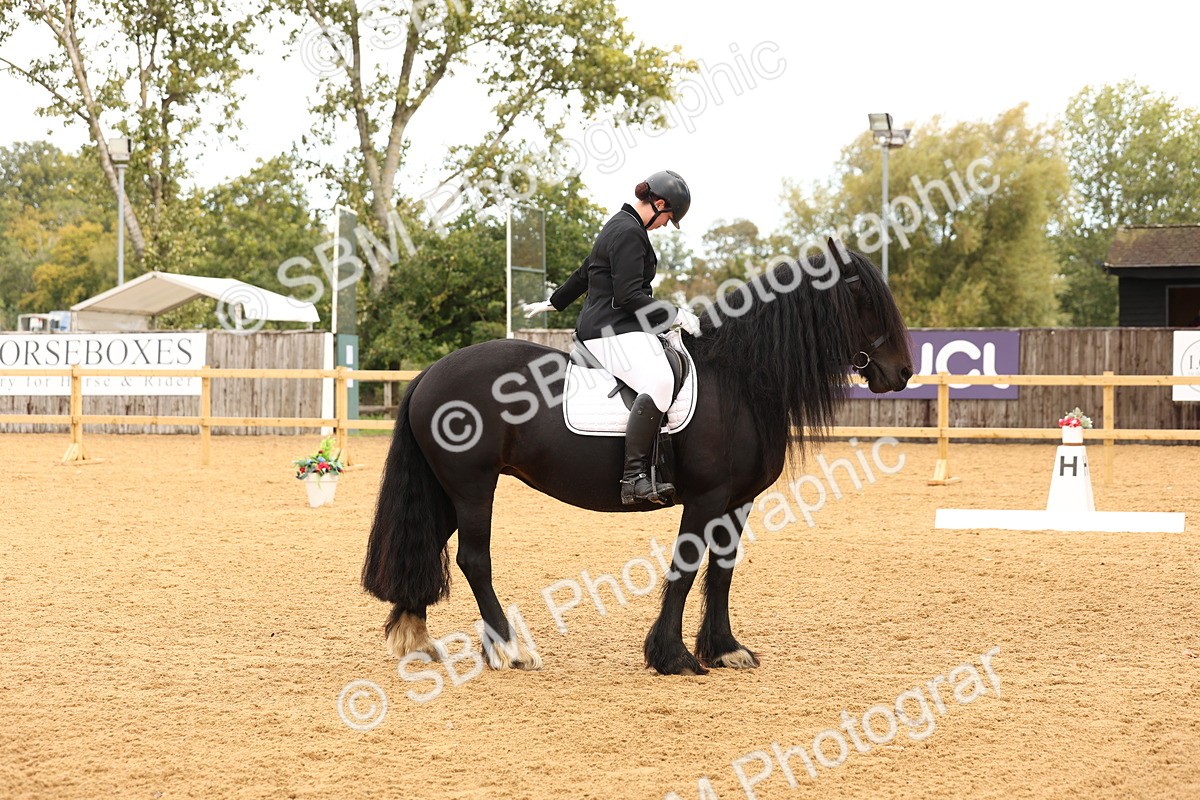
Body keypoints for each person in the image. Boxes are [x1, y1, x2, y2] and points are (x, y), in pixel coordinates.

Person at [524, 170, 701, 505]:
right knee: (661, 381)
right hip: (610, 329)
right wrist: (676, 314)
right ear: (659, 204)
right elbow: (629, 296)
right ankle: (633, 479)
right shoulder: (630, 232)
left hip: (615, 326)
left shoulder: (619, 223)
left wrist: (554, 301)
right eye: (669, 218)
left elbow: (584, 273)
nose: (665, 225)